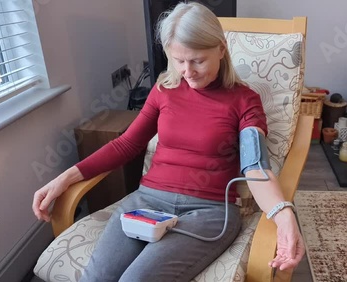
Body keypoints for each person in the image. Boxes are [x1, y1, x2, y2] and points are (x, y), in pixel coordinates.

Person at [32, 2, 305, 281]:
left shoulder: (244, 100)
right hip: (146, 201)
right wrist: (64, 178)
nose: (188, 71)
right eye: (178, 60)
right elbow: (126, 145)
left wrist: (283, 214)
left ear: (221, 49)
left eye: (198, 60)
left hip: (207, 212)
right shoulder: (164, 89)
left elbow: (255, 166)